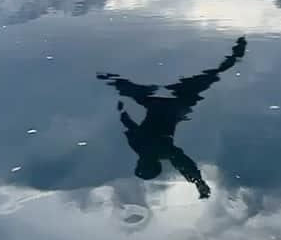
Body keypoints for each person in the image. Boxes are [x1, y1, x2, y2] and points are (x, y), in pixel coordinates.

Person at [97, 37, 247, 199]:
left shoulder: (161, 151)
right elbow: (128, 124)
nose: (140, 162)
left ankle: (236, 54)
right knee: (123, 87)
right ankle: (236, 54)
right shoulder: (141, 147)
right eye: (141, 164)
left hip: (173, 105)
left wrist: (198, 182)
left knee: (213, 75)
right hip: (160, 104)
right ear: (142, 163)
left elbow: (183, 163)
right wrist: (121, 110)